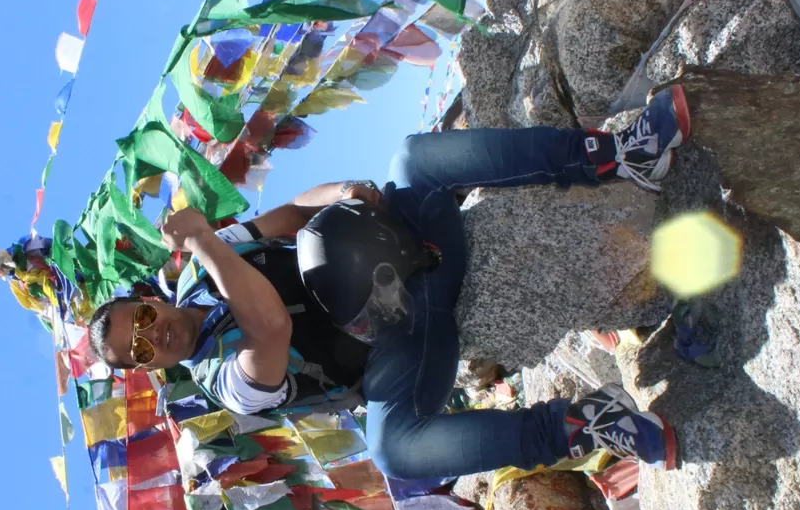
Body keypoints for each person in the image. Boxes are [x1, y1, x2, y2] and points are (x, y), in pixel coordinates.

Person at [88, 86, 691, 479]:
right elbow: (269, 328)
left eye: (139, 321)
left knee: (411, 159)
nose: (153, 335)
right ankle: (578, 426)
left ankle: (615, 154)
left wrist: (344, 193)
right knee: (395, 450)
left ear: (146, 301)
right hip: (404, 341)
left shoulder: (197, 277)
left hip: (410, 247)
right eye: (137, 350)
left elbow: (296, 211)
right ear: (147, 369)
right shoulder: (224, 383)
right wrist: (205, 240)